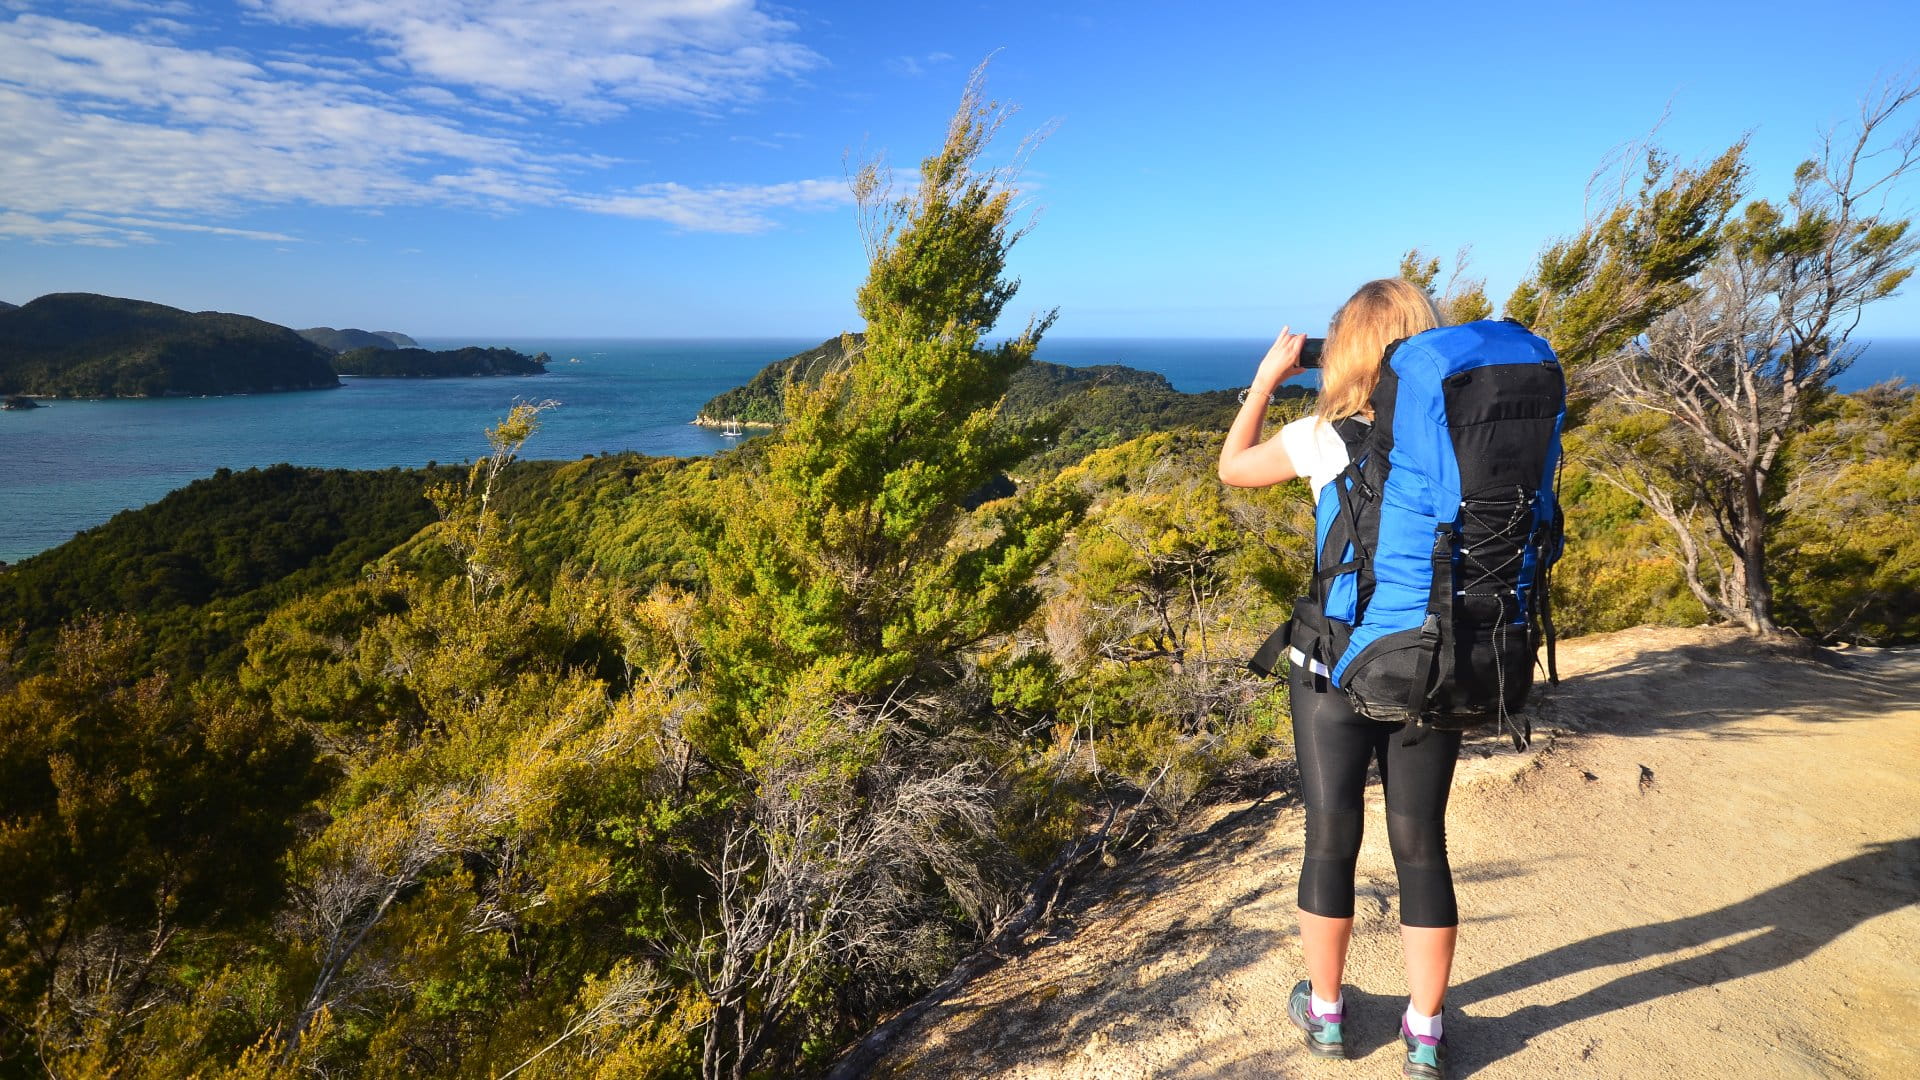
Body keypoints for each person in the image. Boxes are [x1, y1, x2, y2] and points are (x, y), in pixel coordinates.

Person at [1217, 277, 1457, 1080]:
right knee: (1422, 848)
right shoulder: (1456, 437)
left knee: (1332, 837)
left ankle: (1326, 1017)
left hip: (1334, 666)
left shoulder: (1323, 435)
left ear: (1344, 348)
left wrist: (1266, 380)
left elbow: (1233, 468)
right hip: (1434, 662)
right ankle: (1424, 1034)